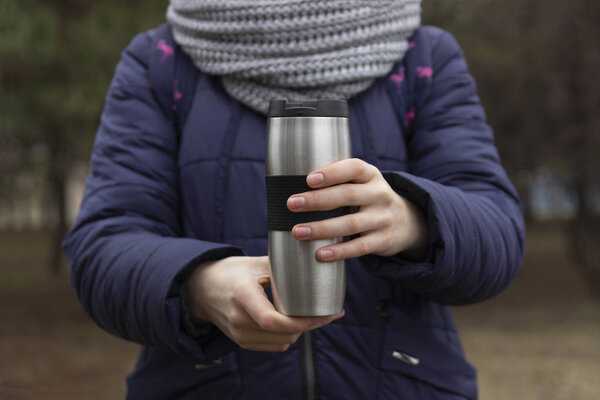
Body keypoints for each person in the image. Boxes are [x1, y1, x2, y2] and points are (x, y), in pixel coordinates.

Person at [63, 1, 525, 399]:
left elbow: (499, 233)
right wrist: (201, 287)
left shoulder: (423, 57)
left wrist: (413, 220)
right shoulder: (160, 62)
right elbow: (103, 245)